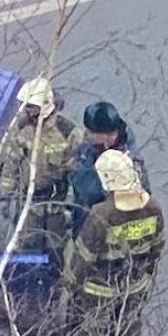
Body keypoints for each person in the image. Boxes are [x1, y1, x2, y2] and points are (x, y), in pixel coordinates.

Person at [63, 150, 164, 336]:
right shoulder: (152, 207)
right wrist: (144, 274)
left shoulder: (101, 214)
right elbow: (157, 247)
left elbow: (84, 256)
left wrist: (71, 284)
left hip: (98, 291)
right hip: (133, 287)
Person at [0, 78, 82, 265]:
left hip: (57, 205)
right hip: (28, 204)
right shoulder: (21, 129)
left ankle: (56, 278)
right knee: (26, 247)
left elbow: (78, 171)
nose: (26, 111)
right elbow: (11, 164)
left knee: (56, 248)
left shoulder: (68, 132)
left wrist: (72, 203)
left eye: (30, 107)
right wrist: (4, 196)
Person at [69, 101, 148, 235]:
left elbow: (90, 193)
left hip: (112, 226)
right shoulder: (87, 148)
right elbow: (75, 180)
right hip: (85, 220)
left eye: (90, 133)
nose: (86, 135)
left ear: (108, 136)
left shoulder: (129, 160)